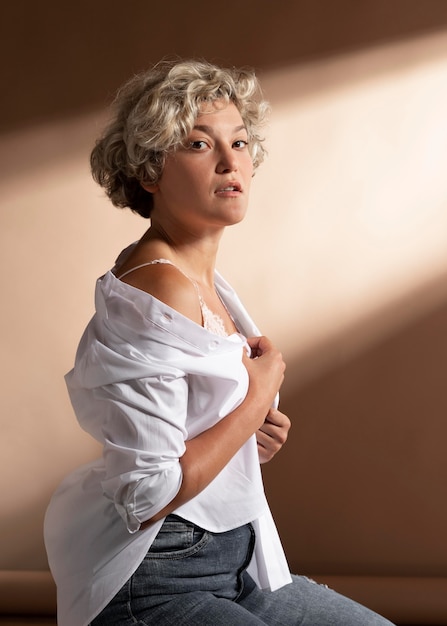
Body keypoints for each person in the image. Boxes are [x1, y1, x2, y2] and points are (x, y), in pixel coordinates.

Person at [44, 59, 395, 626]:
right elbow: (148, 492)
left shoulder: (209, 286)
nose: (232, 162)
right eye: (200, 144)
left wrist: (252, 436)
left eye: (239, 141)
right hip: (155, 579)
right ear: (151, 170)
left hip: (236, 566)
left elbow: (186, 432)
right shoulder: (158, 285)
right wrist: (258, 395)